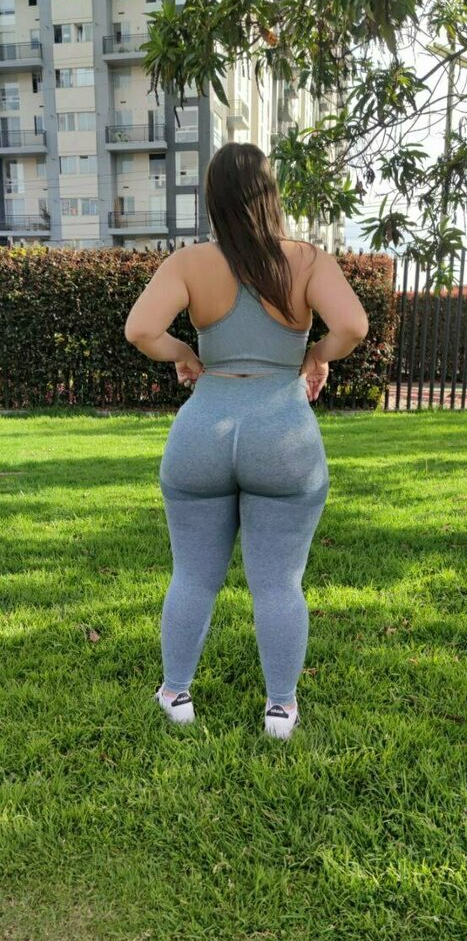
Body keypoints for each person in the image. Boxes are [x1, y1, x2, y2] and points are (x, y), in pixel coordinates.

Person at [125, 142, 369, 739]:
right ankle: (280, 710)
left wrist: (183, 353)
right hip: (282, 434)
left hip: (202, 433)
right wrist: (317, 354)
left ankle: (175, 694)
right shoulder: (307, 261)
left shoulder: (189, 263)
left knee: (192, 576)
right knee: (278, 583)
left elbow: (141, 329)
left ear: (213, 199)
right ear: (270, 195)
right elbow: (353, 325)